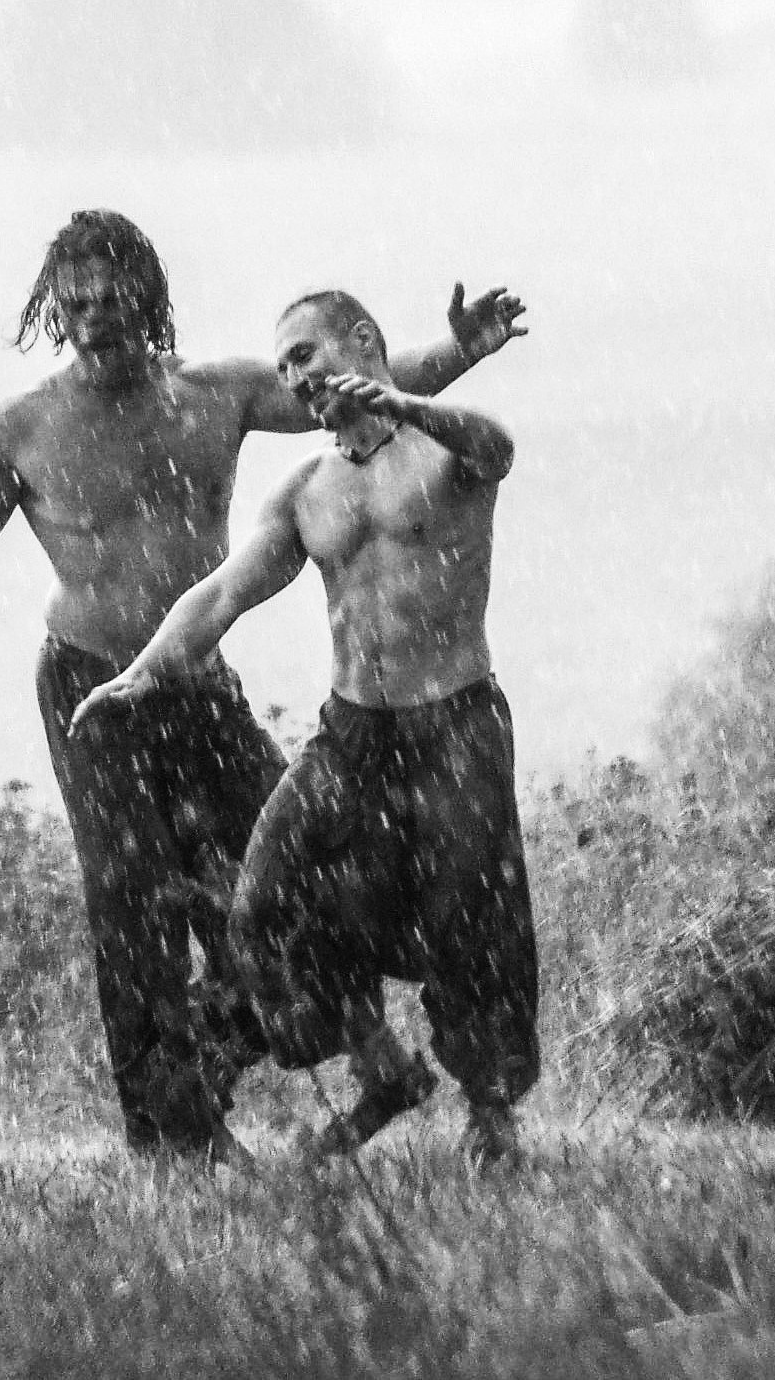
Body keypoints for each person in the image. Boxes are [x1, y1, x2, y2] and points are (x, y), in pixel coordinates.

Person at [0, 210, 525, 1160]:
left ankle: (353, 1060)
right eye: (76, 301)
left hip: (196, 681)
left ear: (148, 297)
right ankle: (173, 1130)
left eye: (112, 297)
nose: (95, 316)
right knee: (130, 904)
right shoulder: (24, 430)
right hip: (91, 688)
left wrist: (460, 353)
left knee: (296, 883)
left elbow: (345, 392)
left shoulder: (211, 395)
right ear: (53, 310)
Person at [71, 289, 537, 1166]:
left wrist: (402, 401)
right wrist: (139, 676)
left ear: (363, 341)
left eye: (305, 353)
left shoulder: (444, 447)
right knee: (266, 893)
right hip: (353, 732)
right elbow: (221, 594)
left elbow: (499, 447)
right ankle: (362, 1065)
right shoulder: (306, 491)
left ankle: (491, 1113)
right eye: (282, 364)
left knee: (470, 917)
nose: (293, 376)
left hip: (456, 723)